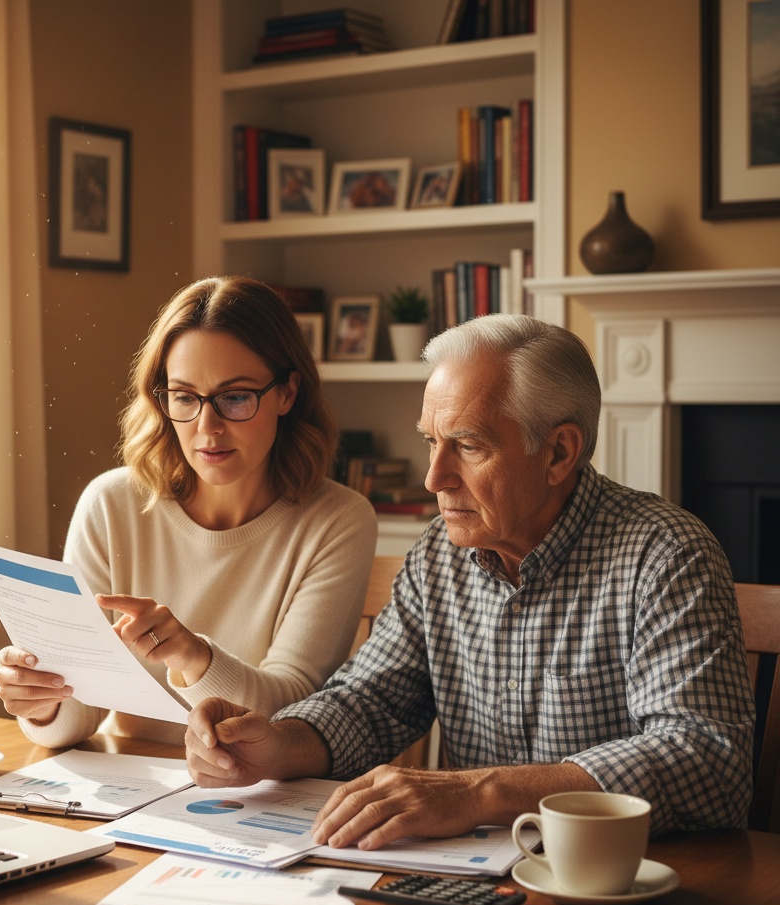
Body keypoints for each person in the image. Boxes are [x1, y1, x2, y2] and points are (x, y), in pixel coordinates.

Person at [186, 312, 755, 846]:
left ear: (559, 452)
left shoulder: (666, 554)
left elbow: (707, 759)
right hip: (477, 876)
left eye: (469, 445)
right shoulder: (440, 554)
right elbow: (371, 702)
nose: (434, 477)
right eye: (432, 441)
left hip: (632, 886)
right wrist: (278, 744)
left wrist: (482, 792)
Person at [0, 276, 377, 745]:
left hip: (258, 796)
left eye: (235, 397)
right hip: (129, 784)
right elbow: (78, 714)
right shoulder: (110, 505)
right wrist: (44, 700)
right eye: (185, 398)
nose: (207, 427)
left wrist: (194, 658)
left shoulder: (339, 520)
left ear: (287, 393)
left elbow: (292, 712)